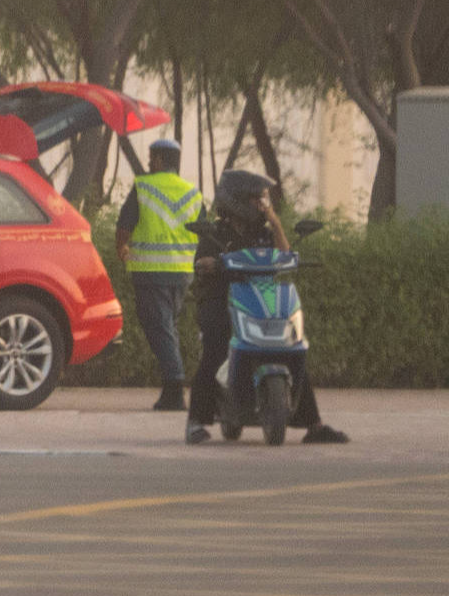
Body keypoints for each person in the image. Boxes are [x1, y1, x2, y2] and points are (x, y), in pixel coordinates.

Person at [184, 170, 348, 445]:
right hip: (220, 298)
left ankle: (314, 425)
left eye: (263, 199)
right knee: (215, 347)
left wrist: (276, 222)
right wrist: (209, 264)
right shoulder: (215, 232)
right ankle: (196, 422)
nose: (262, 204)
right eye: (256, 199)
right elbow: (201, 263)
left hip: (260, 296)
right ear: (236, 200)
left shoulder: (263, 232)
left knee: (291, 347)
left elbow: (285, 255)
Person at [115, 138, 203, 411]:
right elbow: (205, 231)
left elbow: (124, 224)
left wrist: (121, 247)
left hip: (151, 271)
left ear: (161, 160)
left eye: (152, 157)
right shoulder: (193, 193)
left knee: (159, 329)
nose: (149, 162)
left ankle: (175, 388)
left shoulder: (144, 187)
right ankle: (171, 390)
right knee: (168, 327)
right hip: (182, 273)